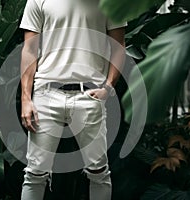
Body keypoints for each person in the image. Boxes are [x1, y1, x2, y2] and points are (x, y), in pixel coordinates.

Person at [19, 0, 126, 199]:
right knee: (35, 173)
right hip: (46, 94)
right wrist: (26, 98)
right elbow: (30, 50)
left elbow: (119, 47)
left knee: (99, 172)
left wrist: (108, 86)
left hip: (89, 94)